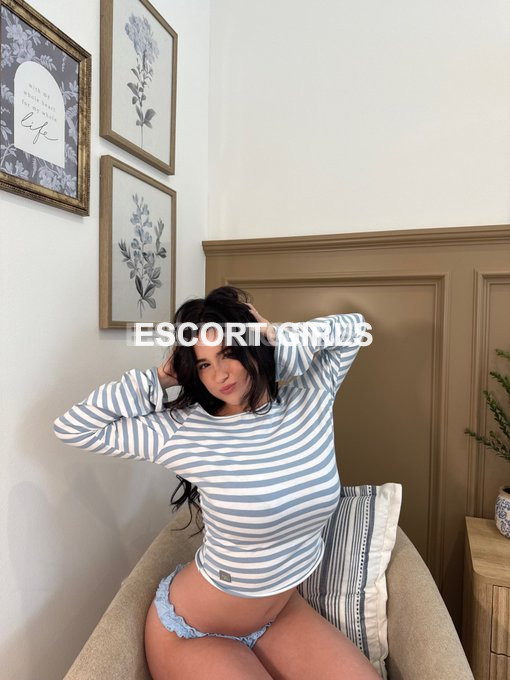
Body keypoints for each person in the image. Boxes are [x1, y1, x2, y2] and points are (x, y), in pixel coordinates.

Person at [53, 286, 379, 680]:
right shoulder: (185, 430)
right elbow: (74, 427)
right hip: (194, 630)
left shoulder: (310, 397)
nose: (219, 375)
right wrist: (161, 376)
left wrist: (277, 335)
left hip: (278, 615)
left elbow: (354, 329)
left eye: (228, 353)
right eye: (203, 364)